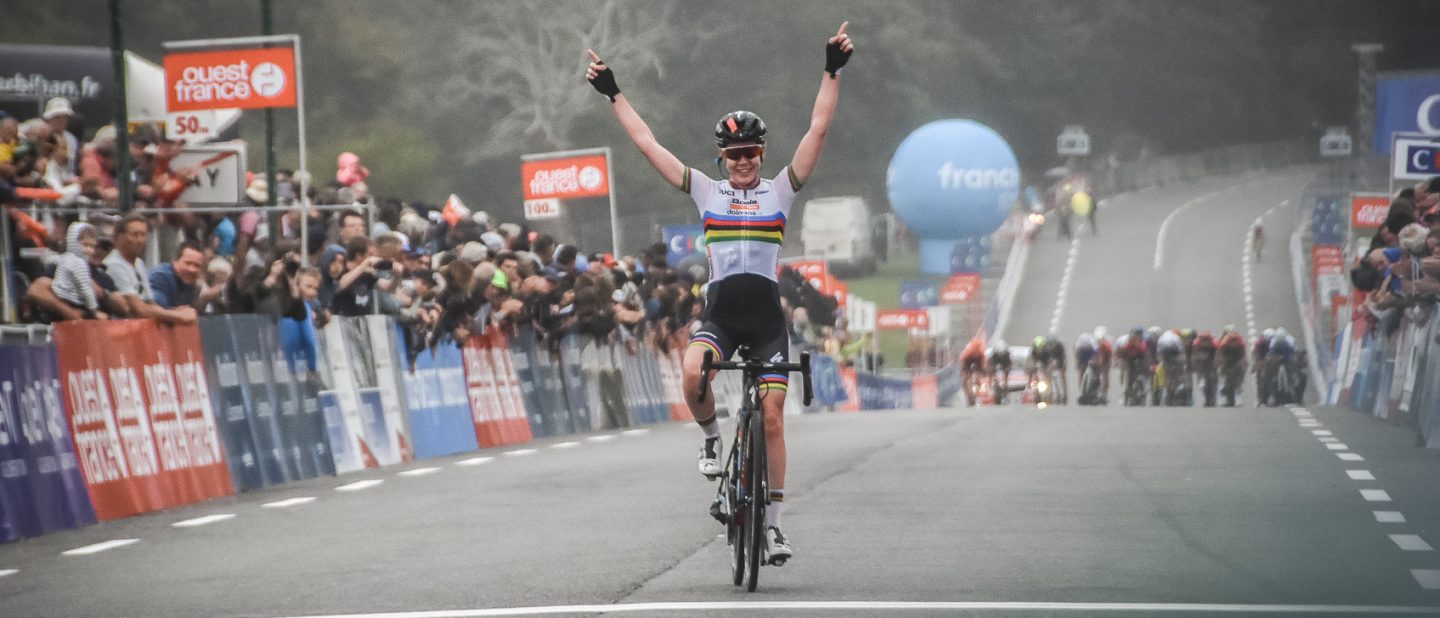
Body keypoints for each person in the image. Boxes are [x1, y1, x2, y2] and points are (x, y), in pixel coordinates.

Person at [588, 21, 853, 564]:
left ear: (761, 152)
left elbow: (818, 129)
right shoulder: (704, 190)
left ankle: (774, 526)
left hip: (765, 321)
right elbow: (646, 143)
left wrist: (831, 70)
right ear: (721, 157)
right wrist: (614, 93)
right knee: (692, 372)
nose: (744, 161)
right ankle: (710, 436)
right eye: (734, 154)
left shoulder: (781, 188)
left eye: (752, 152)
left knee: (774, 417)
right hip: (721, 316)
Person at [149, 242, 208, 310]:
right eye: (188, 263)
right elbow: (153, 309)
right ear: (175, 261)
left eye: (197, 265)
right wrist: (179, 313)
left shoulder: (192, 284)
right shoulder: (160, 277)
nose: (192, 269)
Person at [1217, 326, 1247, 407]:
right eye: (1232, 341)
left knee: (1240, 370)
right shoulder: (1224, 341)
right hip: (1226, 356)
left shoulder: (1240, 341)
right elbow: (1219, 353)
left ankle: (1238, 393)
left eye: (1234, 341)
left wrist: (1243, 363)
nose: (1233, 343)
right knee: (1222, 373)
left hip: (1237, 357)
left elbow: (1243, 354)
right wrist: (1220, 364)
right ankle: (1222, 394)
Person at [1190, 329, 1219, 407]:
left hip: (1212, 358)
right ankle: (1206, 397)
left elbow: (1218, 355)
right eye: (1202, 340)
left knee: (1213, 378)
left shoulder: (1215, 342)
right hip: (1202, 362)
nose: (1204, 341)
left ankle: (1213, 394)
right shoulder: (1196, 343)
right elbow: (1194, 356)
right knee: (1202, 381)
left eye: (1206, 339)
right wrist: (1195, 366)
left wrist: (1216, 364)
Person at [960, 334, 987, 404]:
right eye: (974, 352)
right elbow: (963, 363)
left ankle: (978, 388)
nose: (975, 353)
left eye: (976, 352)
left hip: (978, 361)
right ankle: (967, 392)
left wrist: (983, 371)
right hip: (967, 361)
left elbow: (983, 362)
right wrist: (963, 373)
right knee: (965, 377)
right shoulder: (967, 352)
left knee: (980, 375)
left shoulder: (981, 352)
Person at [986, 339, 1012, 403]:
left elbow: (1009, 365)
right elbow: (989, 365)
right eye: (999, 352)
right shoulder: (992, 355)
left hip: (1004, 365)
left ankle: (1006, 390)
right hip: (995, 366)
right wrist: (992, 370)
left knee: (1006, 377)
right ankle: (993, 388)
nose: (1000, 354)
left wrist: (1007, 369)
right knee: (992, 375)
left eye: (1001, 352)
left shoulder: (1007, 355)